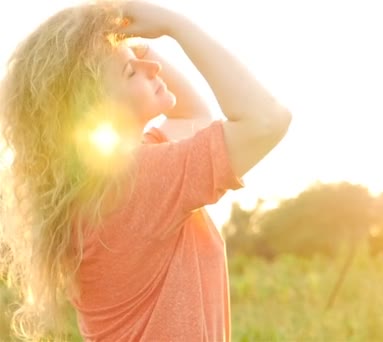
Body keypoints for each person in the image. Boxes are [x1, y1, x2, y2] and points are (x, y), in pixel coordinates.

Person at [0, 0, 291, 340]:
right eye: (130, 71)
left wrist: (126, 40)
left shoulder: (105, 185)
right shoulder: (135, 183)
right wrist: (174, 25)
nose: (151, 67)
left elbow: (193, 117)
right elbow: (267, 120)